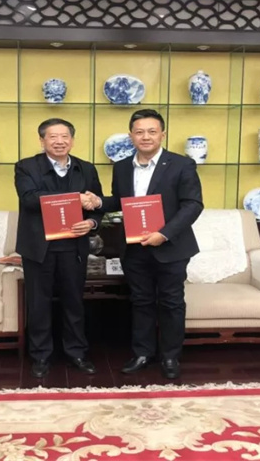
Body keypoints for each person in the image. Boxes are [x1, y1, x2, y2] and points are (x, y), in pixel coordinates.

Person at [81, 109, 203, 379]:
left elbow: (192, 205)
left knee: (171, 302)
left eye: (151, 131)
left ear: (162, 135)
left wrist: (164, 233)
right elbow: (121, 200)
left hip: (171, 246)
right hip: (134, 247)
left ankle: (170, 357)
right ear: (131, 136)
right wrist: (98, 202)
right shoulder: (122, 167)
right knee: (140, 301)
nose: (145, 137)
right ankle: (142, 353)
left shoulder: (182, 165)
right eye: (139, 132)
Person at [15, 118, 105, 379]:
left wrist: (91, 222)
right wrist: (75, 199)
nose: (59, 141)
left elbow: (96, 205)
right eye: (53, 137)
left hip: (73, 245)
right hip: (38, 246)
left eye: (65, 136)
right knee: (38, 303)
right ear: (42, 140)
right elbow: (29, 199)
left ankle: (76, 352)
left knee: (74, 302)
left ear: (72, 140)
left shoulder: (86, 168)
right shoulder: (26, 167)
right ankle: (40, 356)